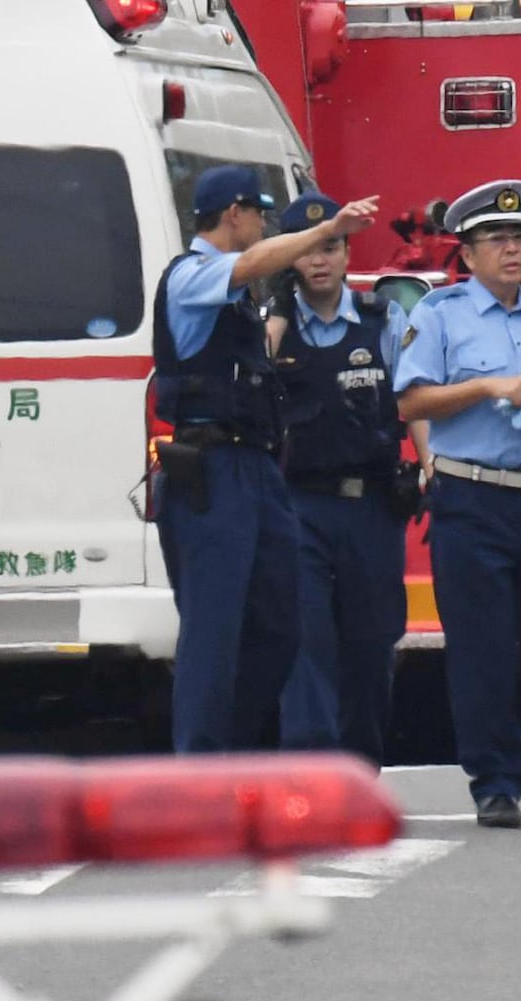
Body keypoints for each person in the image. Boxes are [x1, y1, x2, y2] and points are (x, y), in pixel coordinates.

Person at [152, 167, 377, 754]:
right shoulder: (192, 277)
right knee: (214, 631)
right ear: (235, 214)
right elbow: (253, 264)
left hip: (255, 468)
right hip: (211, 471)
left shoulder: (238, 293)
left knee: (280, 628)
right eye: (259, 213)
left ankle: (237, 754)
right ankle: (202, 774)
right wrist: (326, 229)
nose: (262, 225)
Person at [392, 179, 521, 829]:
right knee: (483, 652)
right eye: (496, 239)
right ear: (467, 255)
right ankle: (494, 783)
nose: (513, 249)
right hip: (471, 498)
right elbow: (411, 402)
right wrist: (485, 387)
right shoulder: (440, 316)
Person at [266, 193, 414, 762]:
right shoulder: (272, 328)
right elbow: (251, 379)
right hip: (298, 506)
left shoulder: (383, 319)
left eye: (330, 246)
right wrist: (277, 312)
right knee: (305, 642)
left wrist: (427, 468)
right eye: (307, 250)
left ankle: (360, 768)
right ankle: (312, 771)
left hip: (371, 507)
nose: (320, 261)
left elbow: (413, 399)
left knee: (370, 646)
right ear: (290, 259)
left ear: (348, 253)